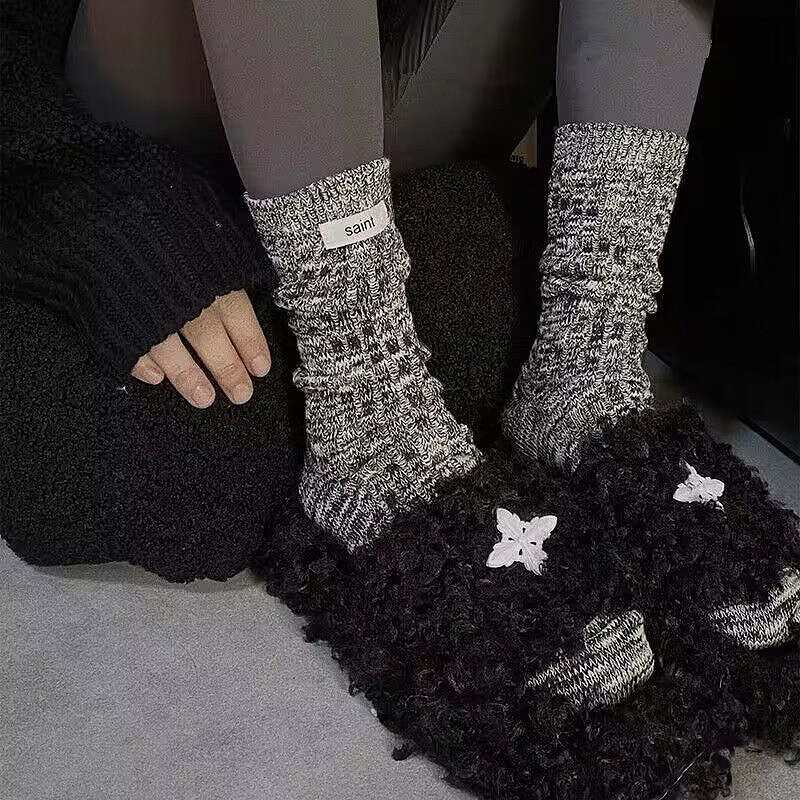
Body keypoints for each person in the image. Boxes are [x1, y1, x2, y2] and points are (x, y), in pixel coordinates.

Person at [2, 2, 798, 797]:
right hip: (135, 110)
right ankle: (369, 411)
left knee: (232, 427)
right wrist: (94, 203)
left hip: (401, 110)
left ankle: (585, 359)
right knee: (168, 452)